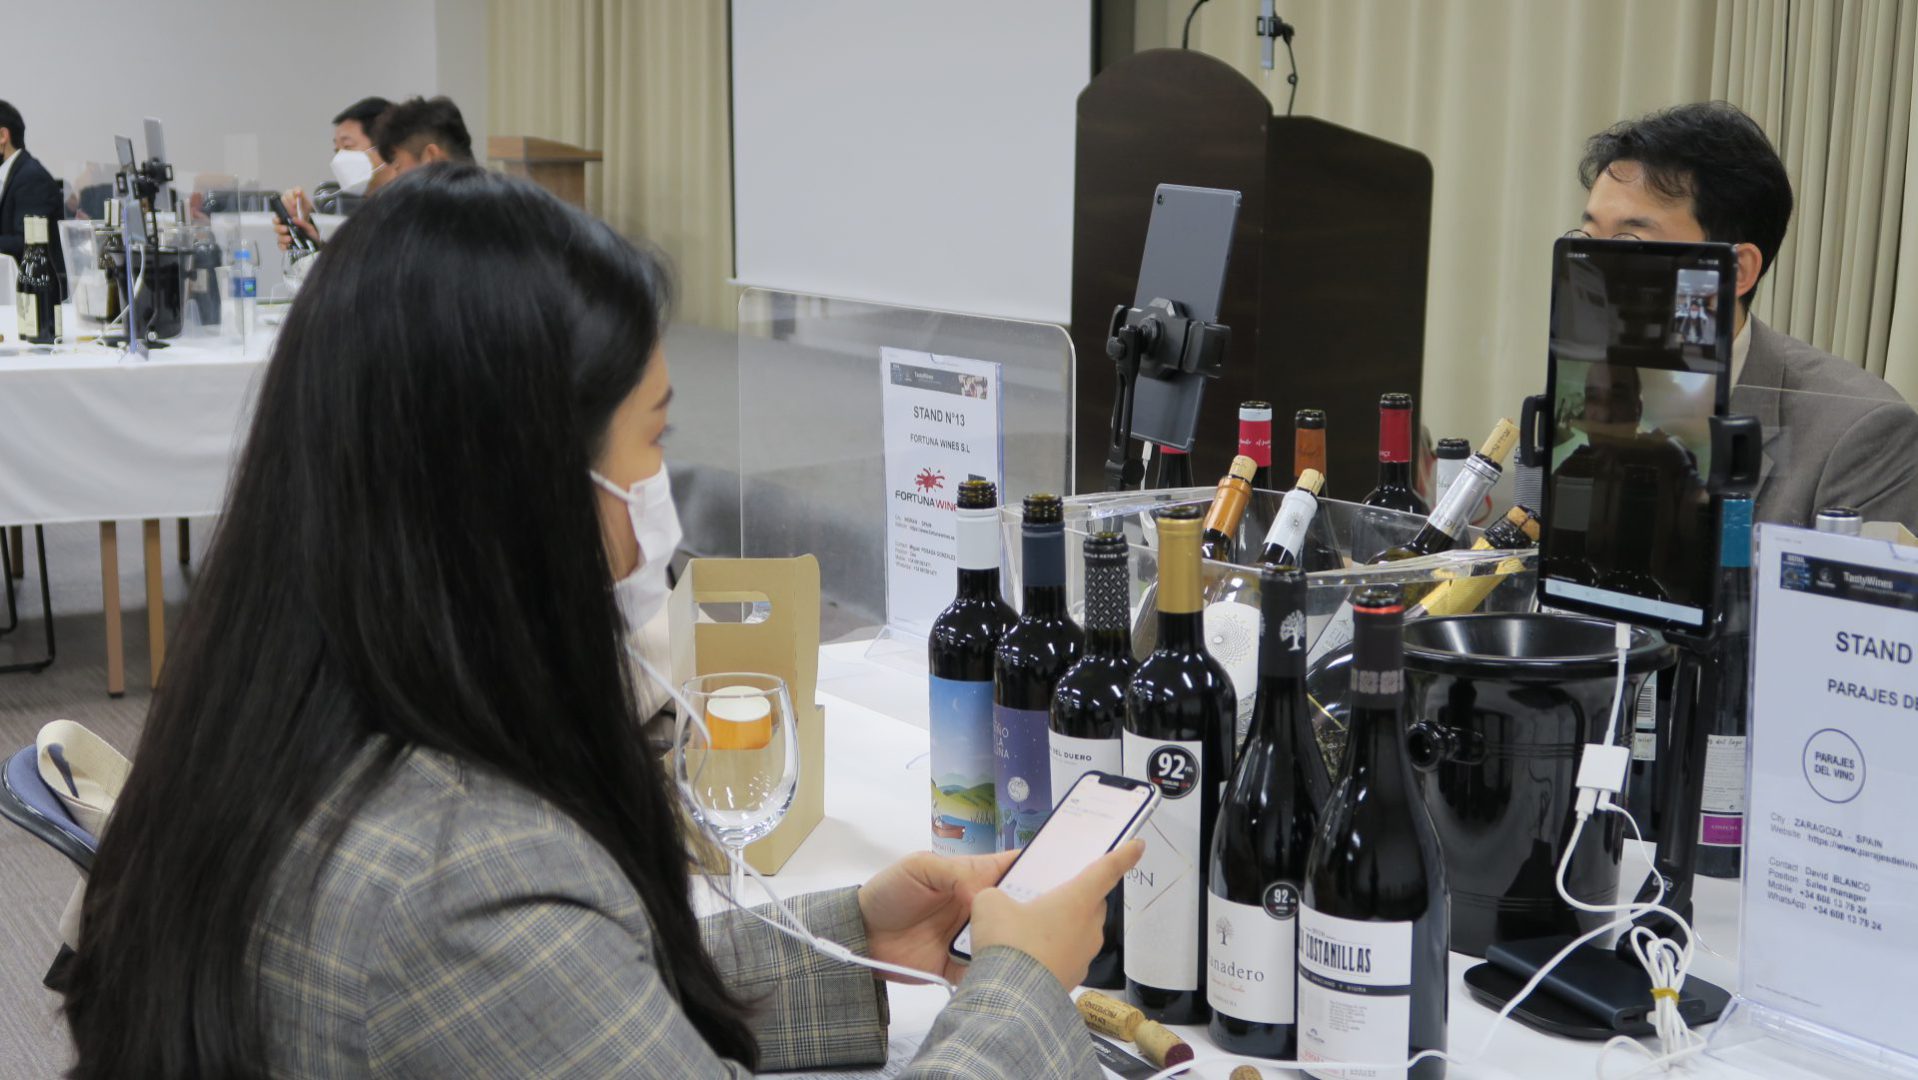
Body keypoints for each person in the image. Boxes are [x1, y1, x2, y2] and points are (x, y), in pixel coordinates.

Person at [62, 164, 1135, 1078]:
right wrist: (1022, 988)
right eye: (652, 440)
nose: (658, 500)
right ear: (522, 484)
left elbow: (569, 1015)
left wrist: (858, 934)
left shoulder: (281, 729)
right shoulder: (465, 879)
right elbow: (521, 979)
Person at [1578, 101, 1918, 528]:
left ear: (1735, 272)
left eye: (1631, 242)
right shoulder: (1591, 388)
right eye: (1588, 239)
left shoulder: (1860, 433)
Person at [279, 95, 475, 250]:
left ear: (430, 158)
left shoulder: (446, 229)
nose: (395, 174)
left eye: (397, 164)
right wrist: (313, 240)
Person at [283, 96, 394, 237]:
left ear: (386, 147)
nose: (339, 158)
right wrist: (309, 232)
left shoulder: (409, 208)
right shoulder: (369, 210)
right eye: (337, 150)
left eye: (348, 146)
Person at [0, 99, 66, 296]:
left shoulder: (31, 178)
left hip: (38, 300)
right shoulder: (13, 174)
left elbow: (28, 243)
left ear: (3, 136)